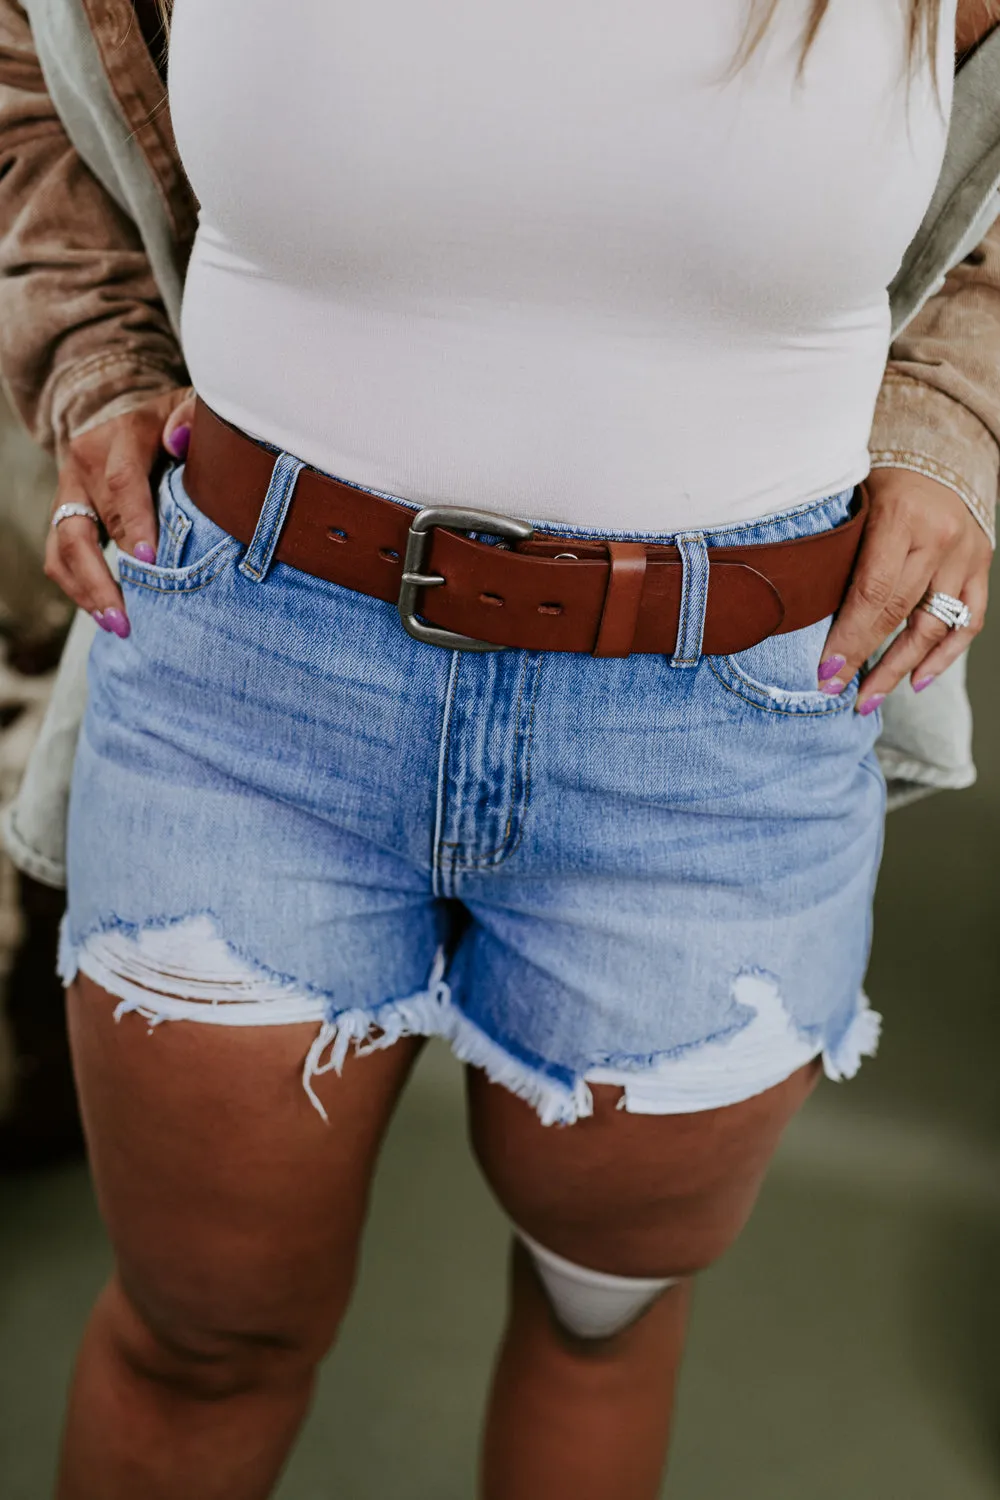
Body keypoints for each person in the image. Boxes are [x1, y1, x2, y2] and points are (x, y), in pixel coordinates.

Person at [0, 2, 998, 1497]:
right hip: (247, 684)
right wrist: (94, 352)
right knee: (198, 1340)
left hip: (718, 739)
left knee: (601, 1321)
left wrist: (952, 422)